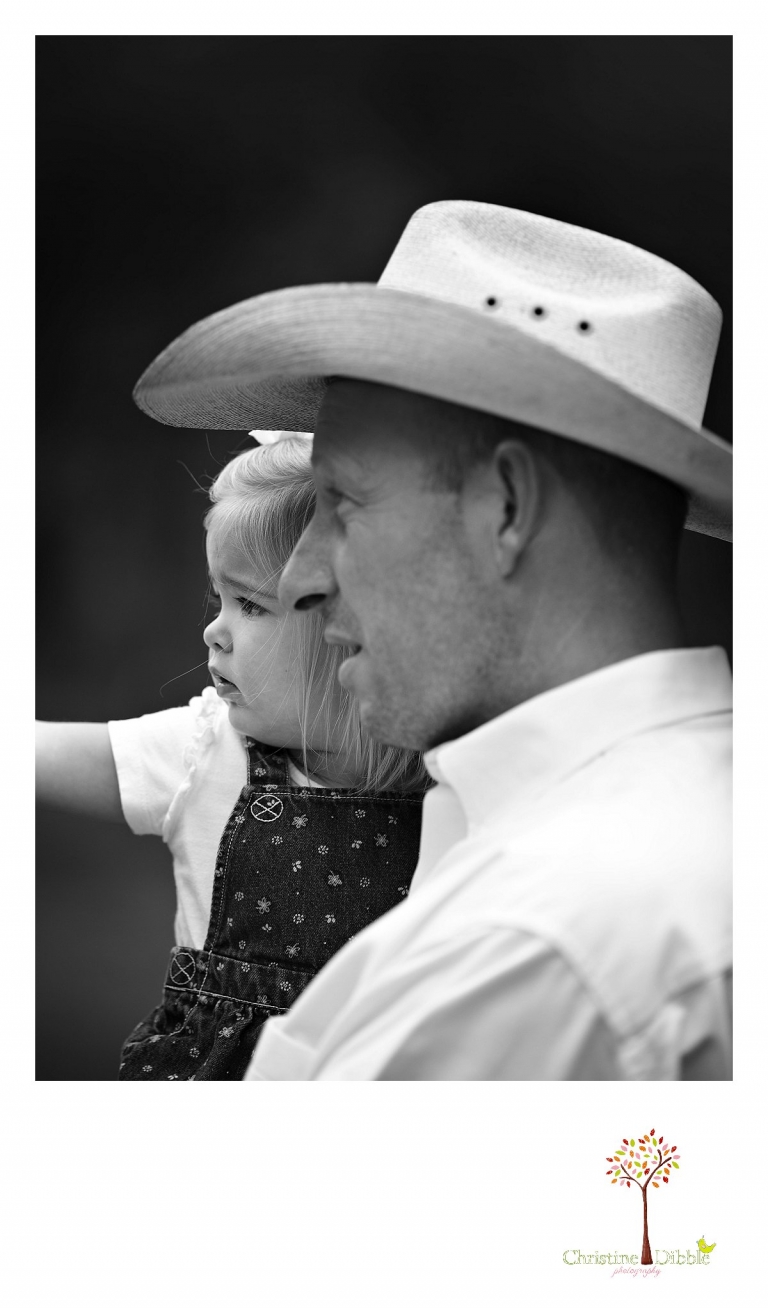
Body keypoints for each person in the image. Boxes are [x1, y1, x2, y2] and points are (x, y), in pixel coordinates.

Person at [133, 200, 733, 1080]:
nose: (300, 576)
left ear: (507, 510)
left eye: (344, 501)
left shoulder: (536, 948)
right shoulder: (668, 822)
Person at [36, 434, 427, 1079]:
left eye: (249, 603)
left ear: (351, 623)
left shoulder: (451, 778)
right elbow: (48, 757)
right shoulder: (208, 750)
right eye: (217, 597)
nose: (214, 631)